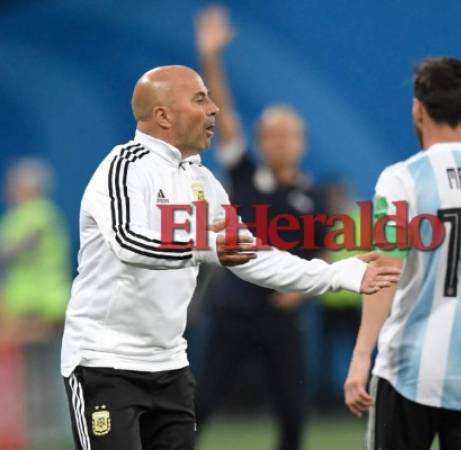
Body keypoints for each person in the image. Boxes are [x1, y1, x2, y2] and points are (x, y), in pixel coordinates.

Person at [60, 65, 400, 450]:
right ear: (163, 115)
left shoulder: (201, 182)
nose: (214, 110)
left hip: (169, 366)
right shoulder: (124, 168)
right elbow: (128, 242)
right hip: (105, 363)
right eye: (200, 99)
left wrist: (339, 274)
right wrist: (206, 247)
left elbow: (251, 255)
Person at [344, 57, 461, 450]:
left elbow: (386, 268)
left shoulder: (400, 179)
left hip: (409, 370)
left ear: (417, 110)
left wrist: (362, 354)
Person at [193, 8, 327, 450]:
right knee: (203, 402)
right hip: (235, 308)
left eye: (289, 135)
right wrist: (211, 57)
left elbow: (321, 252)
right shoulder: (245, 174)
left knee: (292, 412)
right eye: (272, 134)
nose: (280, 141)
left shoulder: (315, 197)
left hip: (282, 318)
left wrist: (302, 288)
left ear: (302, 142)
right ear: (261, 139)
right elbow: (225, 113)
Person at [0, 158, 71, 449]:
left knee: (50, 372)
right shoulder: (16, 216)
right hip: (25, 306)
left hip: (44, 306)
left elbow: (23, 246)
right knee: (32, 374)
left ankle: (58, 433)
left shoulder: (40, 214)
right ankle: (40, 433)